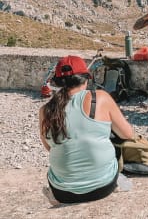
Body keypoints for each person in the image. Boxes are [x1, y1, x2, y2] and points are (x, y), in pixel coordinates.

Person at [39, 55, 134, 205]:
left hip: (62, 192)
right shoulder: (100, 98)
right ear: (86, 79)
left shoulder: (46, 110)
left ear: (57, 82)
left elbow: (49, 147)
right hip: (103, 187)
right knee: (113, 139)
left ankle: (55, 194)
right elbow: (128, 134)